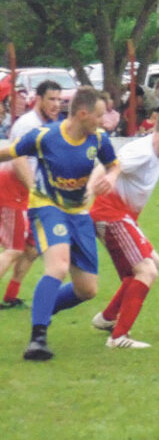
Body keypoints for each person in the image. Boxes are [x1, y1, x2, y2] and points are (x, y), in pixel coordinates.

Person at [0, 86, 120, 361]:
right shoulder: (45, 136)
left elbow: (114, 165)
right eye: (99, 115)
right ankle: (37, 339)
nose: (104, 121)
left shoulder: (99, 140)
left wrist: (111, 178)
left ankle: (43, 308)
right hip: (46, 206)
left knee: (87, 289)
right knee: (59, 265)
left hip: (78, 213)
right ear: (82, 113)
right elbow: (11, 152)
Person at [90, 106, 159, 348]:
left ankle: (106, 318)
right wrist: (111, 177)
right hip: (110, 214)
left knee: (152, 263)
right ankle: (118, 338)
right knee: (147, 271)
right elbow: (112, 165)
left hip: (123, 216)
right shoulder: (142, 151)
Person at [0, 80, 62, 309]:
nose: (56, 105)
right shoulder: (29, 124)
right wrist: (34, 190)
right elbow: (17, 158)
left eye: (59, 100)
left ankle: (11, 295)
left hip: (25, 193)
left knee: (32, 247)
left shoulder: (46, 124)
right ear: (38, 99)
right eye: (51, 99)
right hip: (12, 190)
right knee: (15, 248)